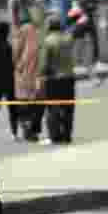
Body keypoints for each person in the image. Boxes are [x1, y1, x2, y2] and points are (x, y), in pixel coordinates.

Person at [37, 16, 77, 145]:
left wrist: (41, 75)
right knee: (68, 108)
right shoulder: (68, 39)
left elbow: (44, 64)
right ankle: (67, 135)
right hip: (69, 78)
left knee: (52, 109)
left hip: (54, 79)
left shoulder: (48, 41)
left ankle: (54, 136)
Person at [11, 8, 44, 141]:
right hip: (37, 71)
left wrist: (15, 64)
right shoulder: (38, 31)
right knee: (38, 101)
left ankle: (27, 128)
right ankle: (34, 129)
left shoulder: (21, 31)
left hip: (24, 71)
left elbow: (16, 51)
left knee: (24, 102)